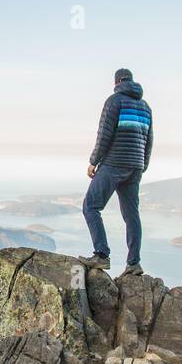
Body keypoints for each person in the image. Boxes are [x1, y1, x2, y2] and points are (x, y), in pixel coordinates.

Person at [79, 67, 153, 275]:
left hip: (114, 163)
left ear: (116, 82)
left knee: (90, 206)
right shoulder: (146, 107)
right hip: (135, 167)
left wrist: (94, 161)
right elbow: (149, 141)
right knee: (131, 215)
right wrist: (142, 165)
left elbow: (104, 134)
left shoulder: (114, 101)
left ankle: (101, 255)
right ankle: (133, 263)